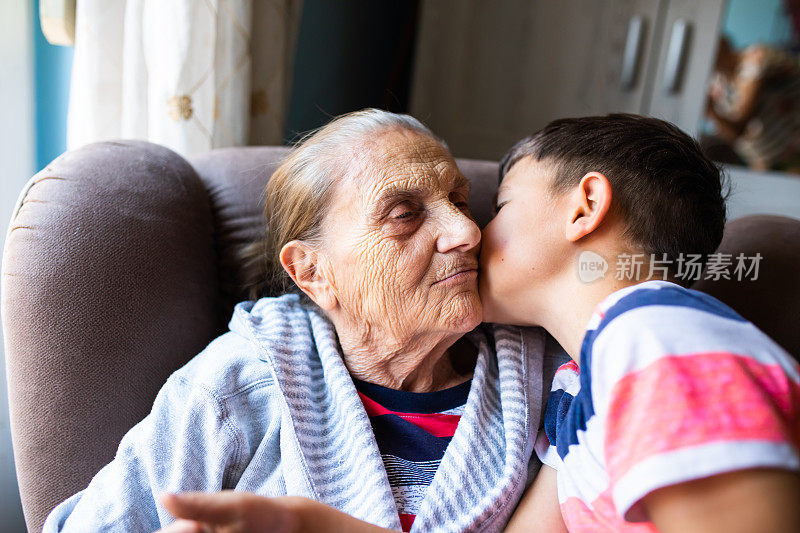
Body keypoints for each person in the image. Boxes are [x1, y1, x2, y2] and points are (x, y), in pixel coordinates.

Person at [42, 109, 567, 533]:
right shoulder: (234, 387)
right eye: (405, 213)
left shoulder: (549, 382)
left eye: (459, 200)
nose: (467, 231)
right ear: (312, 272)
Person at [483, 114, 800, 532]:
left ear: (586, 207)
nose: (475, 232)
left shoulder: (658, 341)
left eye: (502, 206)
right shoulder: (580, 387)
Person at [706, 36, 800, 172]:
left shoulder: (756, 58)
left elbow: (739, 127)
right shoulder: (719, 84)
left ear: (723, 43)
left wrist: (711, 111)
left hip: (793, 147)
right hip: (774, 163)